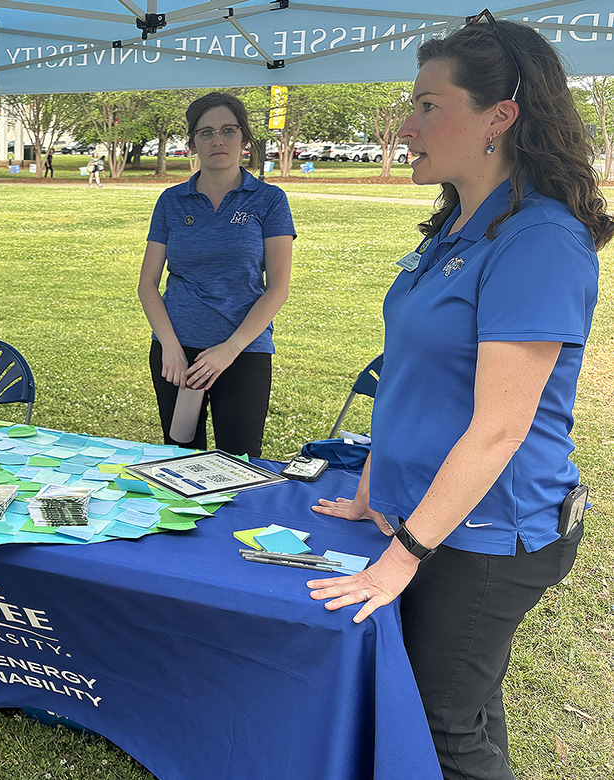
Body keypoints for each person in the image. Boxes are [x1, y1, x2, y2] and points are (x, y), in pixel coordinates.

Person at [307, 15, 609, 780]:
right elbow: (414, 377)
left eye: (428, 105)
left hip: (487, 533)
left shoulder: (538, 238)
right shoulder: (458, 225)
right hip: (429, 513)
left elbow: (501, 428)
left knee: (442, 728)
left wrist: (400, 558)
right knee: (463, 709)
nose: (406, 125)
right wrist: (377, 482)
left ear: (498, 118)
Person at [138, 91, 295, 457]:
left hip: (242, 353)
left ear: (244, 138)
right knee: (179, 459)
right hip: (177, 355)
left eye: (228, 130)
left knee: (238, 465)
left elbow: (278, 288)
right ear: (192, 141)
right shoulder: (171, 201)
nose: (218, 140)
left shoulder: (269, 201)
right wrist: (171, 349)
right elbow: (148, 284)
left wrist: (229, 350)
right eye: (205, 132)